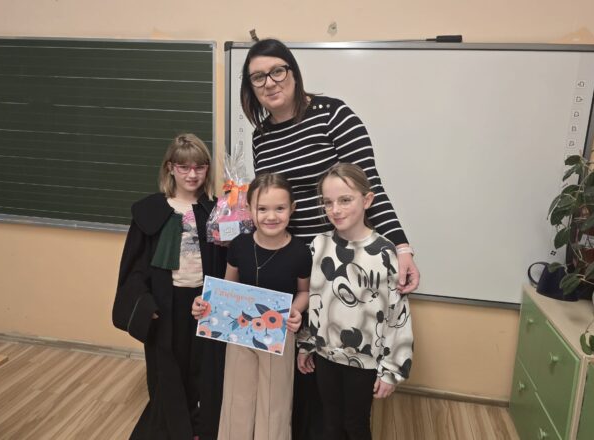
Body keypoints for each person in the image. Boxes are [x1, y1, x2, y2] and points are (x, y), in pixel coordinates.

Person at [240, 38, 420, 438]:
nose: (269, 82)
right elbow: (271, 200)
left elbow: (370, 187)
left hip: (339, 266)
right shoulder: (261, 136)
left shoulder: (333, 115)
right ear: (250, 88)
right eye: (257, 77)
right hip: (289, 263)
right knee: (297, 368)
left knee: (339, 395)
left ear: (293, 71)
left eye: (277, 71)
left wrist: (402, 247)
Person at [112, 133, 227, 440]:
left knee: (203, 369)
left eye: (199, 167)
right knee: (167, 369)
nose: (192, 174)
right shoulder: (151, 211)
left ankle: (199, 428)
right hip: (165, 305)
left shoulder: (216, 212)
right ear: (170, 168)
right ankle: (171, 430)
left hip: (204, 304)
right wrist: (145, 304)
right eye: (184, 167)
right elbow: (134, 267)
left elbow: (227, 263)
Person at [297, 163, 414, 440]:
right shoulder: (318, 245)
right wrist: (306, 344)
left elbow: (397, 315)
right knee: (330, 423)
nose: (335, 210)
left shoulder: (385, 253)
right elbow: (315, 300)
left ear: (367, 200)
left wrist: (391, 370)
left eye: (345, 200)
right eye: (328, 202)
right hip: (326, 356)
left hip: (365, 362)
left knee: (355, 424)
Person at [193, 172, 312, 440]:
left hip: (279, 333)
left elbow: (304, 291)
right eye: (262, 209)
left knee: (274, 402)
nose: (271, 216)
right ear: (249, 209)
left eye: (280, 208)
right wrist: (204, 303)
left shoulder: (300, 252)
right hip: (239, 333)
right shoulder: (239, 245)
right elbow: (227, 288)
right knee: (237, 398)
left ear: (292, 208)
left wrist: (296, 310)